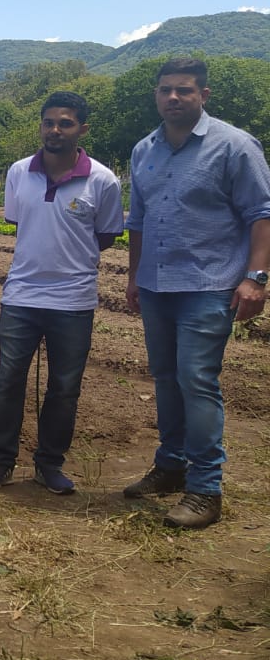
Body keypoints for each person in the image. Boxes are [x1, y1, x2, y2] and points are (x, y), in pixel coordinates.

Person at [124, 58, 270, 529]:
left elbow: (261, 214)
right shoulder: (144, 149)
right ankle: (171, 466)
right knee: (165, 378)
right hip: (157, 284)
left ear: (203, 95)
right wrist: (133, 276)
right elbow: (139, 221)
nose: (173, 98)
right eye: (165, 89)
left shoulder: (233, 145)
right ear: (155, 94)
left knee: (196, 380)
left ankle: (206, 489)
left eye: (184, 90)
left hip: (209, 286)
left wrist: (258, 278)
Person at [0, 92, 123, 495]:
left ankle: (49, 465)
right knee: (8, 381)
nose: (55, 130)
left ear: (82, 129)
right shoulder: (20, 172)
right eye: (49, 123)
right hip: (21, 296)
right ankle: (0, 461)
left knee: (64, 388)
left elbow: (106, 236)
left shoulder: (103, 180)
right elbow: (22, 225)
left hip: (73, 301)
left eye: (65, 123)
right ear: (40, 126)